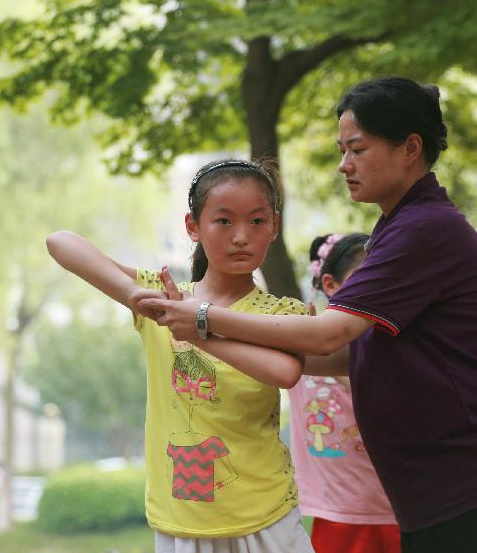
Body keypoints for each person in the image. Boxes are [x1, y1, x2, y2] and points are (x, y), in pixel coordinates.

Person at [141, 77, 477, 552]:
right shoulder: (396, 228)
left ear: (410, 148)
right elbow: (348, 355)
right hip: (448, 490)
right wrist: (207, 332)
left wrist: (203, 319)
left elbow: (329, 334)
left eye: (357, 149)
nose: (343, 165)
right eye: (342, 150)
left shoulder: (424, 230)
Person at [47, 159, 313, 552]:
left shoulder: (281, 313)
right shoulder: (164, 298)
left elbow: (286, 371)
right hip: (181, 520)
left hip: (266, 513)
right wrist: (132, 294)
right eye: (224, 221)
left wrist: (198, 327)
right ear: (193, 226)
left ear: (274, 227)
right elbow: (60, 241)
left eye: (257, 221)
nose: (241, 235)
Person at [289, 233, 400, 553]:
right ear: (331, 284)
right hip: (337, 512)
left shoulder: (391, 344)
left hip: (398, 508)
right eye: (365, 279)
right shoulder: (302, 337)